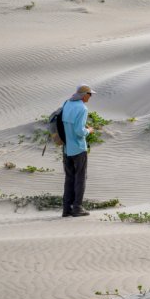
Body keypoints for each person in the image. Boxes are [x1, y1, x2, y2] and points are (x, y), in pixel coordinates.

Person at [61, 84, 95, 217]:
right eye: (90, 94)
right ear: (84, 95)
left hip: (66, 147)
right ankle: (77, 207)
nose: (90, 97)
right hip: (78, 148)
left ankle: (66, 208)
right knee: (80, 178)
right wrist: (89, 130)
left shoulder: (67, 103)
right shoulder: (82, 108)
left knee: (69, 178)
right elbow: (79, 132)